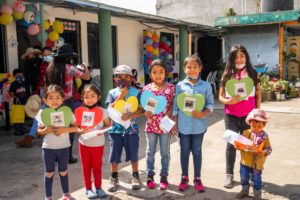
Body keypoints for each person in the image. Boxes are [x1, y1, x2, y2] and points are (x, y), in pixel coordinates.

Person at [218, 44, 261, 188]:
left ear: (246, 57)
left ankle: (248, 174)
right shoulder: (227, 74)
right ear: (231, 59)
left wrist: (257, 113)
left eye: (242, 55)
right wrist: (228, 100)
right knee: (231, 145)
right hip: (231, 115)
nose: (239, 59)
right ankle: (229, 175)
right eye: (235, 56)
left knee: (247, 146)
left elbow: (258, 94)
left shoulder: (253, 73)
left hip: (249, 116)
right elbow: (221, 96)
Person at [172, 55, 214, 192]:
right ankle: (184, 177)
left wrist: (203, 113)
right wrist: (175, 123)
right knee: (184, 152)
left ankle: (197, 178)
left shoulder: (206, 86)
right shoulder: (179, 86)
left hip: (199, 126)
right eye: (189, 67)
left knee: (196, 152)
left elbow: (210, 104)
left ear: (200, 68)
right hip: (183, 126)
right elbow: (176, 107)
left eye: (195, 67)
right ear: (184, 69)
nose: (192, 70)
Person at [46, 43, 90, 164]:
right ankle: (68, 156)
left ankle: (55, 155)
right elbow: (86, 77)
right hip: (66, 102)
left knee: (56, 127)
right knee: (69, 128)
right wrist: (85, 67)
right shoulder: (69, 68)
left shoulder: (50, 68)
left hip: (53, 103)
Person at [36, 85, 79, 200]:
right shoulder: (42, 113)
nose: (54, 101)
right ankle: (48, 197)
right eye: (50, 98)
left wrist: (65, 130)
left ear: (63, 99)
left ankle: (66, 194)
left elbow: (76, 128)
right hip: (48, 148)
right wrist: (45, 130)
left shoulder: (67, 112)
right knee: (49, 173)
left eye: (57, 97)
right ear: (45, 100)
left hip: (64, 147)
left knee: (63, 171)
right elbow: (39, 131)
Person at [105, 64, 143, 192]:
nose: (122, 79)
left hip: (132, 130)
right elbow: (109, 109)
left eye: (126, 76)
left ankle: (135, 176)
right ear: (115, 79)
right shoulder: (111, 93)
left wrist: (131, 115)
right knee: (114, 154)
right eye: (119, 77)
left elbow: (141, 110)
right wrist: (120, 96)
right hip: (115, 130)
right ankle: (114, 177)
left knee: (133, 153)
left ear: (131, 78)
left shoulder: (137, 92)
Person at [140, 60, 175, 190]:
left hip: (165, 126)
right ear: (150, 74)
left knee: (165, 153)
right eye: (154, 72)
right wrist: (146, 113)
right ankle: (150, 176)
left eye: (161, 72)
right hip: (151, 126)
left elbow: (172, 104)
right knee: (150, 152)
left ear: (165, 73)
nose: (158, 75)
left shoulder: (171, 88)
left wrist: (168, 114)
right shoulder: (147, 89)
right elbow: (145, 106)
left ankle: (164, 176)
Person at [76, 84, 110, 199]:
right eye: (86, 97)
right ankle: (88, 189)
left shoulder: (103, 111)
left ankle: (99, 188)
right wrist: (80, 130)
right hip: (84, 144)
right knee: (86, 167)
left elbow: (108, 124)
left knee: (97, 167)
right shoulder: (79, 112)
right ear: (82, 98)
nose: (90, 99)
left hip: (98, 144)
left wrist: (101, 130)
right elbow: (76, 126)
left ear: (99, 97)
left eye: (93, 96)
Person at [15, 47, 53, 148]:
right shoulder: (42, 65)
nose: (46, 57)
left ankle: (37, 139)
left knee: (48, 117)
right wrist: (37, 92)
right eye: (44, 55)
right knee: (41, 116)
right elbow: (40, 81)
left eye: (48, 54)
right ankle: (31, 138)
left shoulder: (56, 66)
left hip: (53, 95)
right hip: (43, 93)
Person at [235, 109, 272, 200]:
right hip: (245, 162)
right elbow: (238, 145)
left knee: (256, 179)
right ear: (250, 123)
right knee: (243, 177)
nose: (256, 128)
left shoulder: (265, 136)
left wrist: (263, 152)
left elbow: (269, 148)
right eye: (253, 126)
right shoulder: (245, 133)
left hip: (257, 163)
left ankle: (257, 195)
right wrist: (237, 146)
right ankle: (244, 191)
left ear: (264, 125)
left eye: (259, 126)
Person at [9, 68, 27, 135]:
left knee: (22, 116)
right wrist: (16, 97)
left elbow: (25, 92)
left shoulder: (23, 82)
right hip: (17, 102)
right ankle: (17, 130)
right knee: (17, 116)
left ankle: (22, 129)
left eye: (20, 74)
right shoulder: (13, 83)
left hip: (23, 102)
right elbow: (10, 93)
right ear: (14, 76)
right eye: (17, 74)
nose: (19, 75)